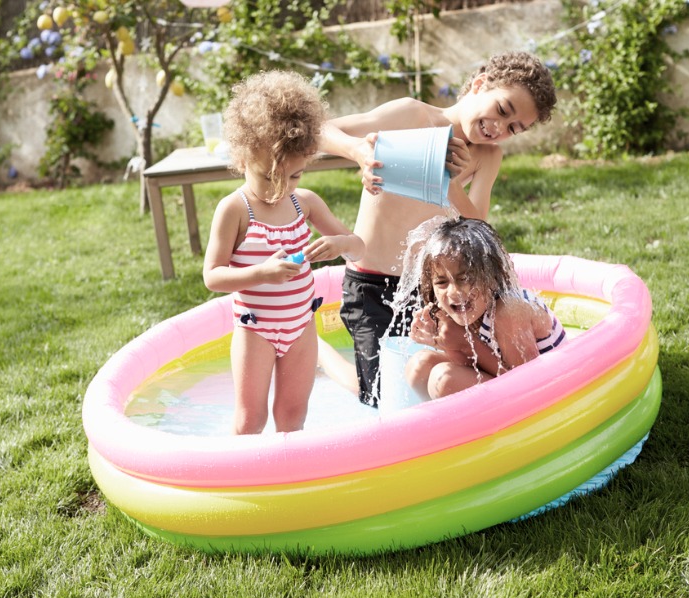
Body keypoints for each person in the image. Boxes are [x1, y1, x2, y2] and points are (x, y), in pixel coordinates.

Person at [317, 51, 557, 405]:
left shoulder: (487, 157)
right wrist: (357, 151)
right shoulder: (412, 116)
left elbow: (480, 233)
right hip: (370, 286)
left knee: (432, 385)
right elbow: (318, 128)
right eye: (503, 111)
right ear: (479, 85)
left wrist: (450, 184)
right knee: (383, 398)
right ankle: (319, 353)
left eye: (513, 129)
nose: (499, 129)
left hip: (435, 289)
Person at [203, 71, 365, 435]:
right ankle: (242, 484)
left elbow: (358, 246)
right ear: (242, 159)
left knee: (293, 416)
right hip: (256, 329)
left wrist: (339, 245)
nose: (280, 188)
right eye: (267, 177)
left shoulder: (305, 203)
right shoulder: (235, 210)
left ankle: (288, 484)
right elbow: (212, 276)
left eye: (293, 176)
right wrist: (261, 273)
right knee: (250, 419)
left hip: (301, 327)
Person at [404, 215, 566, 400]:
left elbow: (527, 387)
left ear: (492, 277)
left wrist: (465, 342)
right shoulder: (459, 310)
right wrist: (444, 342)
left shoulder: (509, 312)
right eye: (441, 282)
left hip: (552, 392)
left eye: (465, 279)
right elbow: (469, 366)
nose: (454, 292)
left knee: (445, 380)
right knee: (419, 366)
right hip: (509, 385)